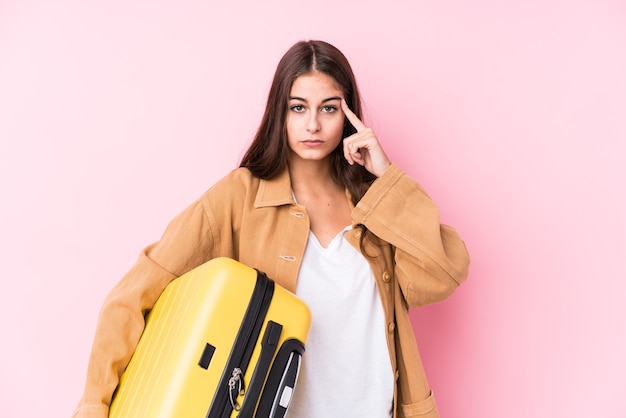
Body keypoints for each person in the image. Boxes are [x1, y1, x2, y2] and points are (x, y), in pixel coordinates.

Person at [73, 40, 470, 418]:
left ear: (349, 116)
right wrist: (95, 404)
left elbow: (443, 274)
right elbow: (133, 294)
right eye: (298, 108)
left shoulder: (376, 202)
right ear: (279, 111)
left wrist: (386, 179)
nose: (313, 124)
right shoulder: (240, 198)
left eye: (329, 109)